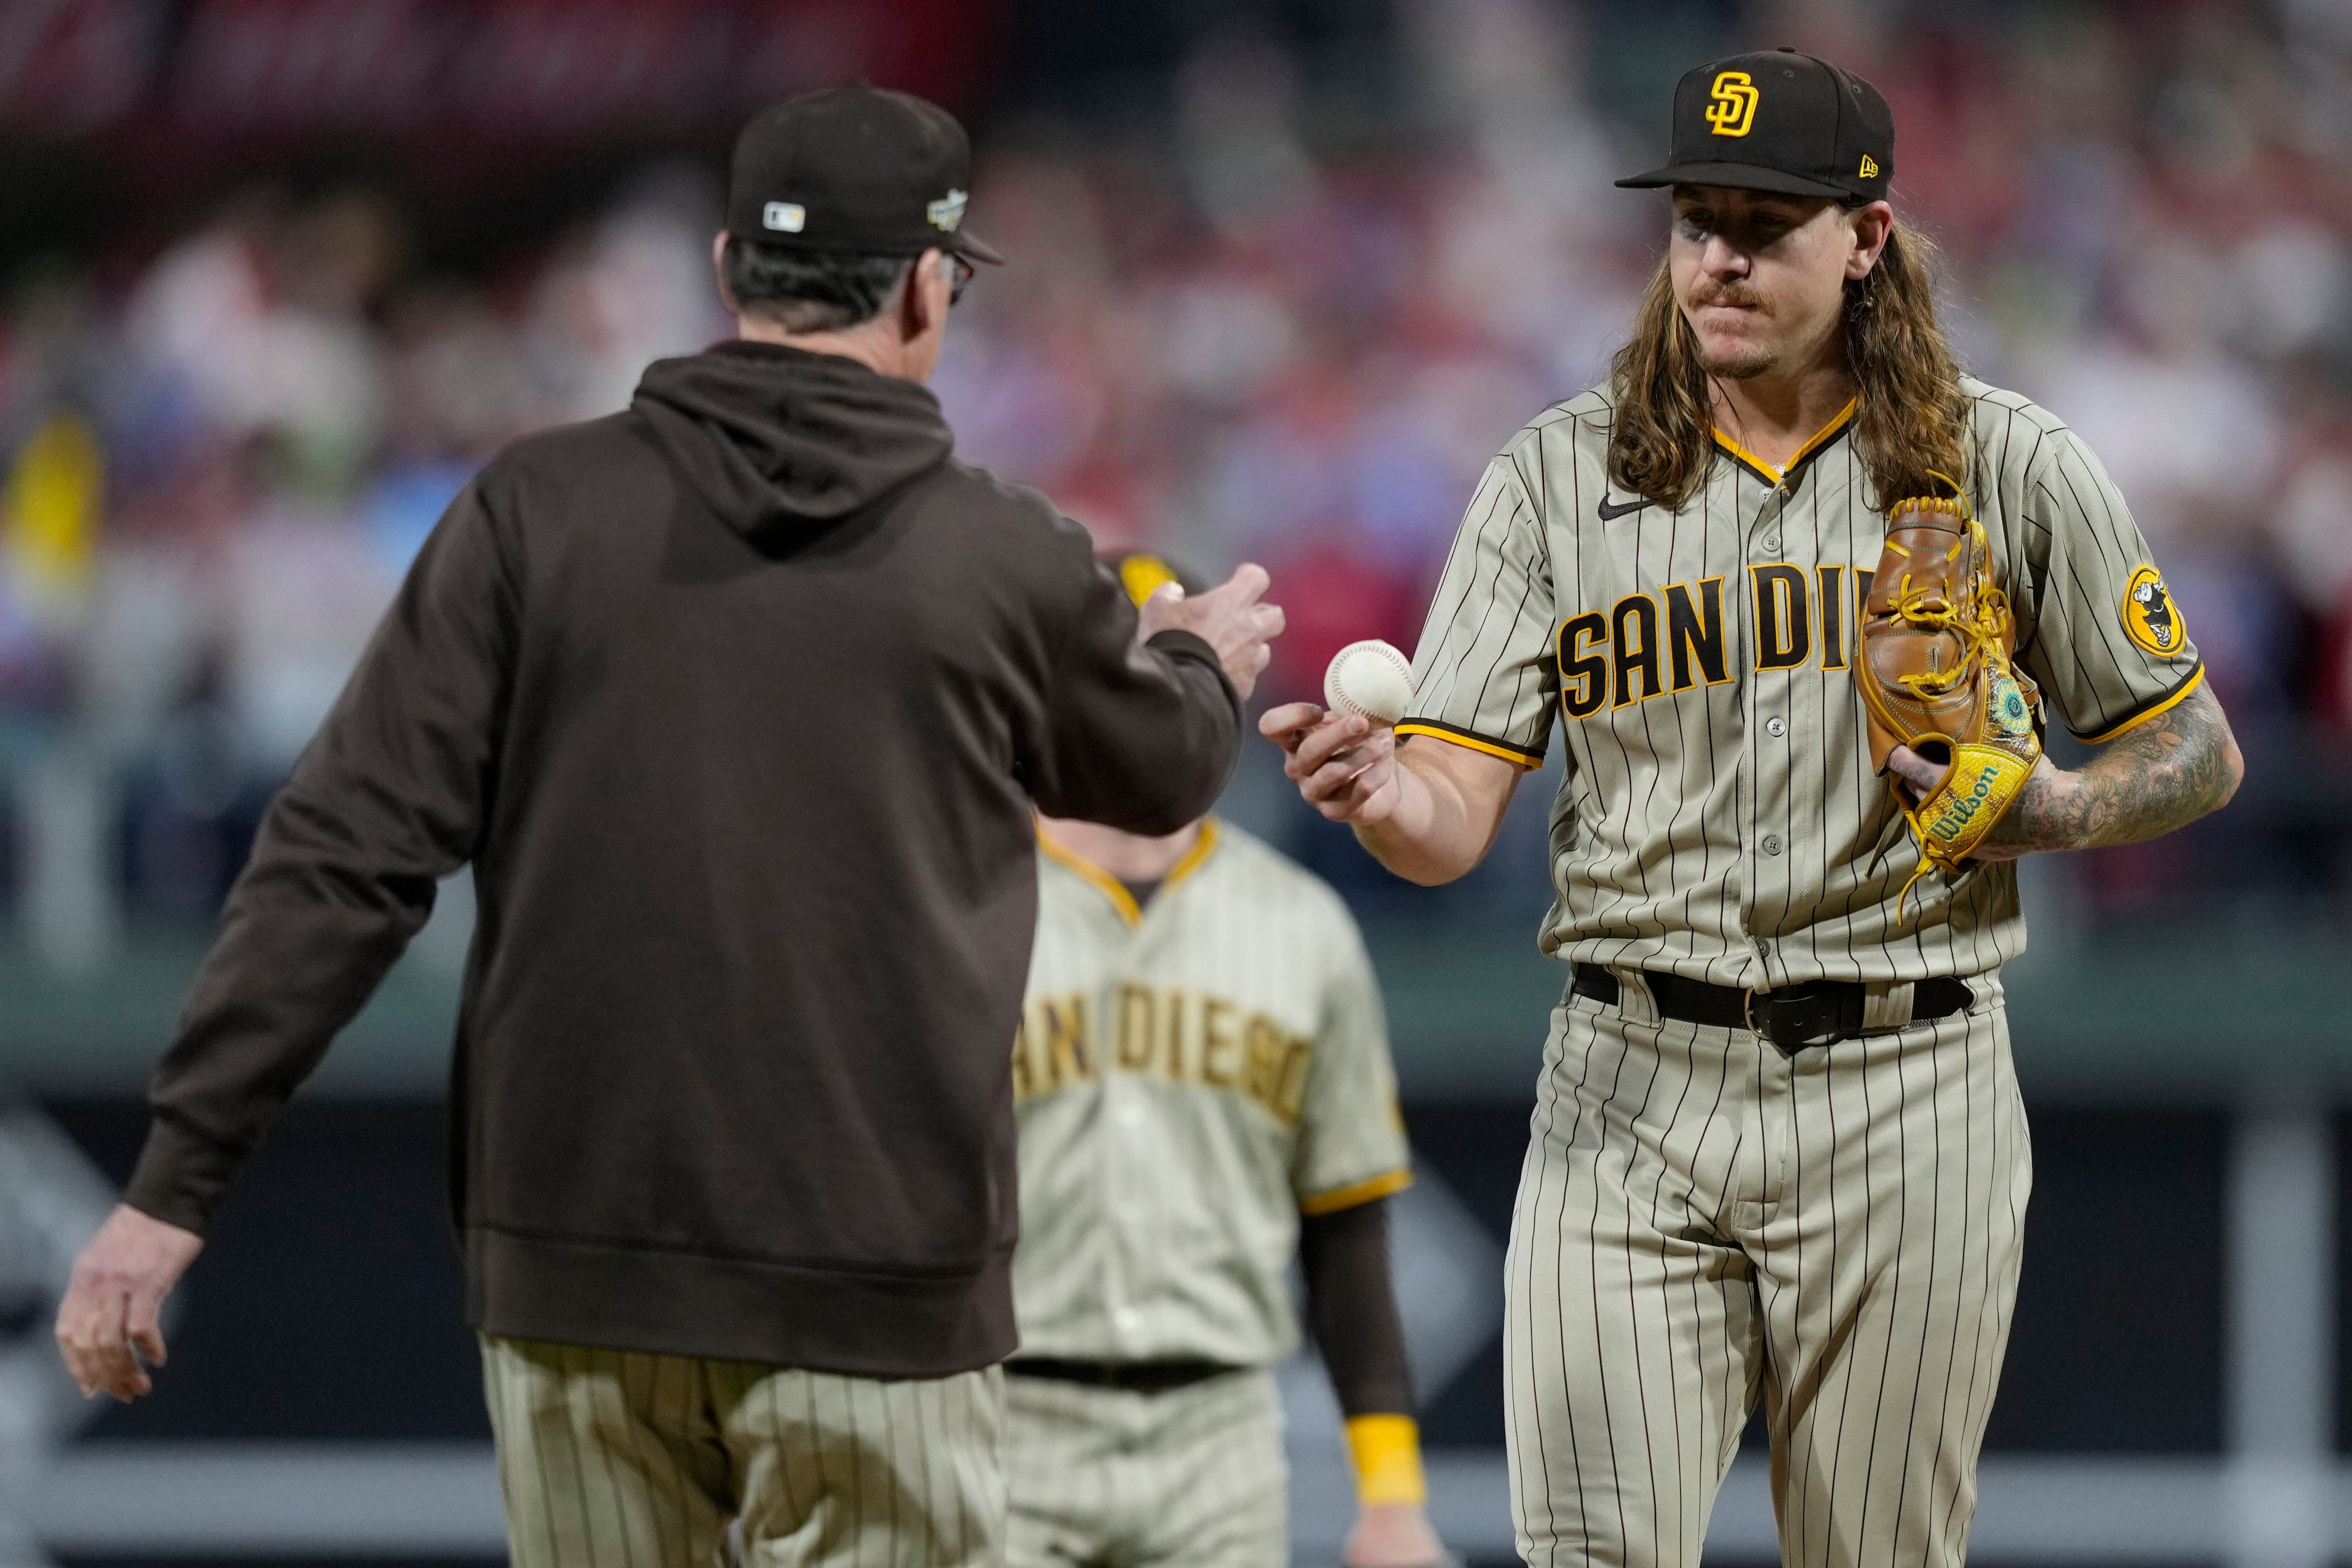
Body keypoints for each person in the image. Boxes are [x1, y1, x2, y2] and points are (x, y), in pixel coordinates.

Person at [56, 84, 1282, 1568]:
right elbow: (1157, 773)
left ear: (726, 272)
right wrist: (1202, 656)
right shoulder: (1003, 554)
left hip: (580, 1277)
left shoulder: (532, 512)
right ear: (926, 283)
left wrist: (169, 1188)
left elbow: (343, 856)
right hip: (878, 1278)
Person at [1263, 49, 2241, 1568]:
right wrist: (1386, 794)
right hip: (1628, 1078)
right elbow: (1450, 812)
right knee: (1589, 1547)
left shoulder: (2009, 463)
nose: (1719, 256)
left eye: (1764, 223)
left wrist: (2049, 807)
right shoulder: (1554, 478)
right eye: (1694, 219)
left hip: (1906, 1082)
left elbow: (2193, 751)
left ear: (1864, 236)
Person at [1006, 555, 1452, 1568]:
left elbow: (1344, 1220)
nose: (1143, 707)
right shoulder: (963, 903)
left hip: (1218, 1437)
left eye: (1171, 674)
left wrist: (1391, 1497)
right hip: (998, 1421)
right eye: (1121, 672)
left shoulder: (1298, 924)